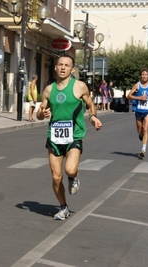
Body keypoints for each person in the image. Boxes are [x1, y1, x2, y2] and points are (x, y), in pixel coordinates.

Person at [36, 55, 102, 221]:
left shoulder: (80, 86)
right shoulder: (49, 90)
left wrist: (93, 117)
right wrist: (42, 113)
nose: (63, 67)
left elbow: (90, 104)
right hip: (54, 137)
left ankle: (74, 177)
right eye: (60, 65)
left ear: (73, 69)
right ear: (56, 68)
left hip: (74, 135)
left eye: (67, 65)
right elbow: (39, 113)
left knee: (70, 169)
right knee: (56, 177)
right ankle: (63, 207)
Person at [127, 67, 148, 158]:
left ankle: (143, 149)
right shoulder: (137, 85)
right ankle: (141, 134)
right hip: (138, 110)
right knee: (140, 130)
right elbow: (128, 95)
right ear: (140, 75)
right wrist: (139, 98)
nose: (144, 76)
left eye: (146, 74)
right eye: (142, 74)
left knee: (145, 129)